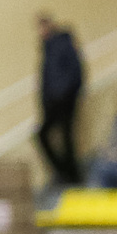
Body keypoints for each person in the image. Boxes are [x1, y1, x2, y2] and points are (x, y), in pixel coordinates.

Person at [36, 12, 84, 186]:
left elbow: (76, 71)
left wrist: (65, 94)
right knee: (44, 136)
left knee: (66, 138)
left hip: (65, 101)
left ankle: (73, 176)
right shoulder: (46, 47)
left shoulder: (63, 43)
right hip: (52, 103)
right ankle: (65, 172)